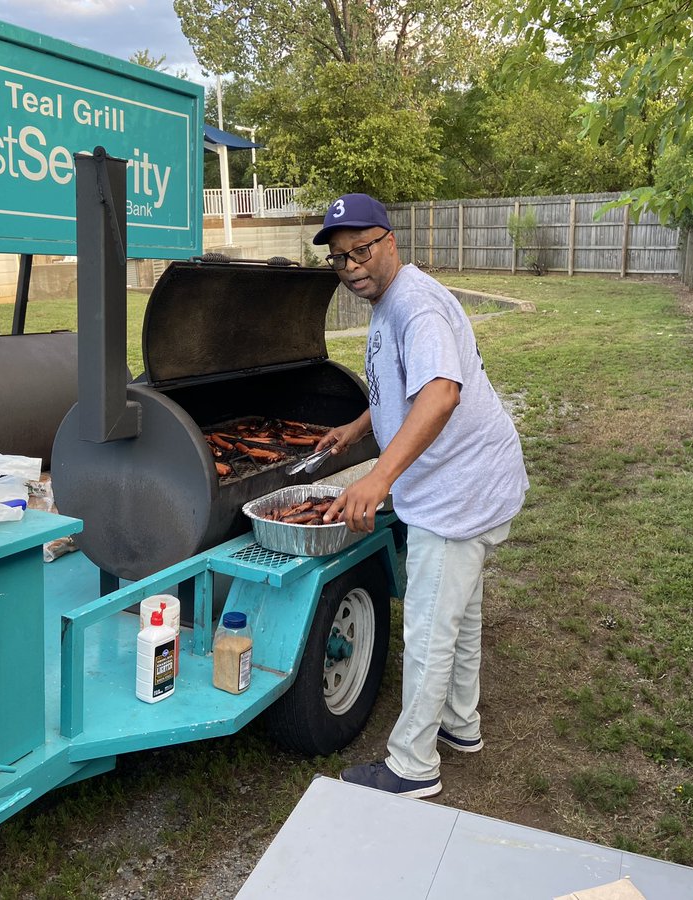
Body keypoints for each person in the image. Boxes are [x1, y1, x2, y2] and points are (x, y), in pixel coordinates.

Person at [313, 193, 528, 798]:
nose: (351, 266)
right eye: (339, 259)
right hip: (466, 483)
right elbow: (398, 387)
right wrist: (358, 428)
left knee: (432, 627)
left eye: (361, 250)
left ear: (389, 240)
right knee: (461, 613)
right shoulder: (388, 300)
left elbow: (438, 395)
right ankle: (461, 725)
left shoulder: (416, 306)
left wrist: (377, 477)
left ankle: (412, 766)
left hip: (458, 491)